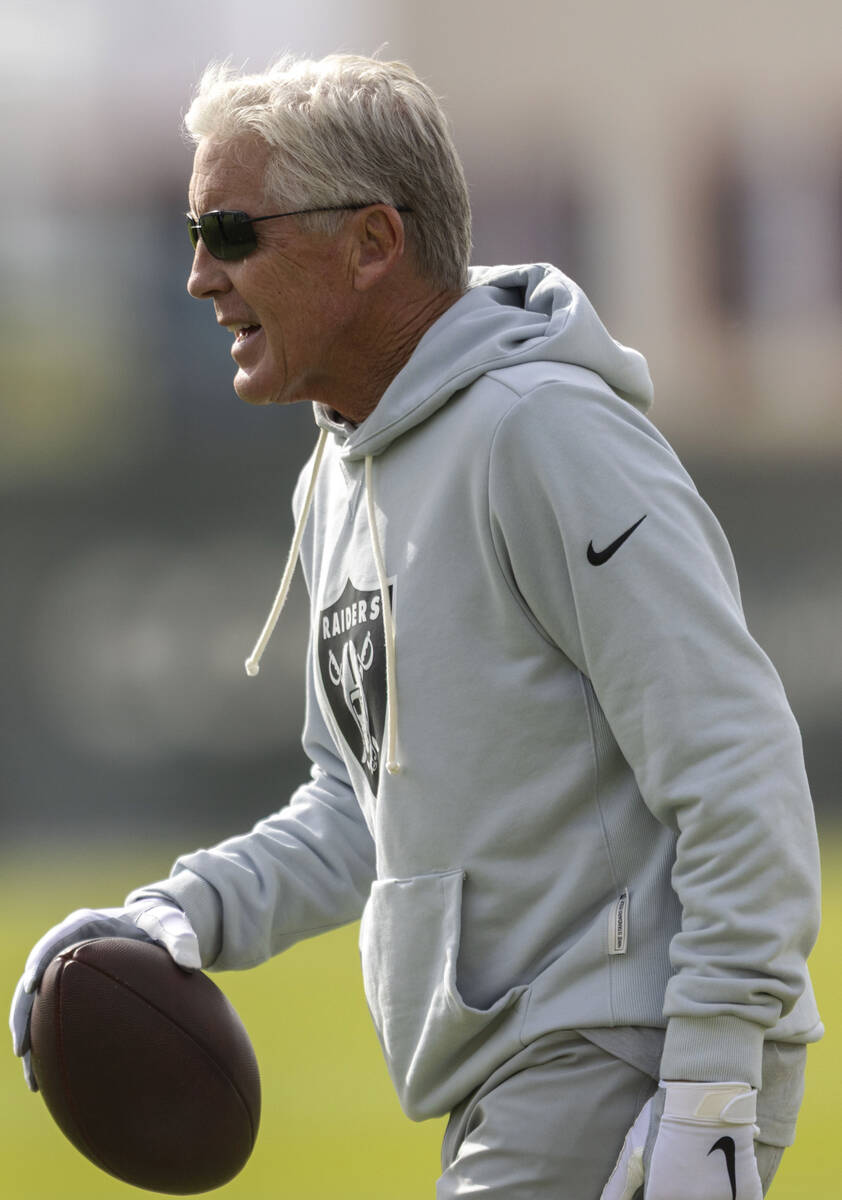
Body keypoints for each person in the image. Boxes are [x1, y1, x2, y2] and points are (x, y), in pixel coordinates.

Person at [11, 53, 822, 1200]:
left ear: (373, 241)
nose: (197, 275)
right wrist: (177, 911)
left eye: (233, 230)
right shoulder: (337, 469)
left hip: (619, 1058)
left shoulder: (542, 433)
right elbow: (355, 807)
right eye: (191, 228)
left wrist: (711, 1091)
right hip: (517, 1079)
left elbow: (735, 762)